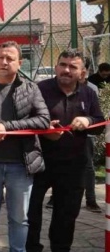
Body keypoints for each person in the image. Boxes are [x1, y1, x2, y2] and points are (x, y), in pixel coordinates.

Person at [0, 41, 50, 252]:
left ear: (19, 63)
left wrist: (8, 127)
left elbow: (43, 120)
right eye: (0, 58)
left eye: (10, 59)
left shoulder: (30, 88)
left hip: (21, 165)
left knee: (19, 219)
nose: (4, 62)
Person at [26, 50, 104, 252]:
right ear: (56, 67)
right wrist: (44, 130)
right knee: (30, 212)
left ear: (83, 72)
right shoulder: (40, 89)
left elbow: (100, 123)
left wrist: (88, 120)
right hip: (39, 161)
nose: (66, 70)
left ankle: (61, 248)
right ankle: (31, 247)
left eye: (73, 67)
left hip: (74, 164)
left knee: (66, 214)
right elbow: (26, 121)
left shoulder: (89, 93)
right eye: (62, 64)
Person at [81, 61, 102, 213]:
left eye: (83, 68)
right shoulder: (61, 86)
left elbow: (97, 114)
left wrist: (87, 121)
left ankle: (91, 199)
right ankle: (55, 197)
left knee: (88, 167)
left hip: (87, 134)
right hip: (65, 135)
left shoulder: (92, 89)